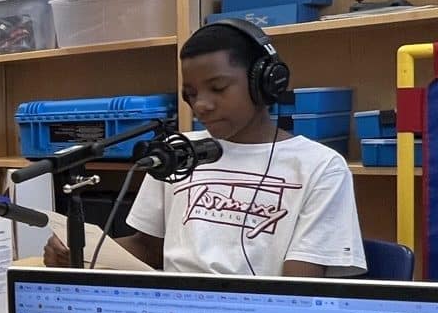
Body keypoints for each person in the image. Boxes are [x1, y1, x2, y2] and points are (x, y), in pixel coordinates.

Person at [44, 18, 365, 276]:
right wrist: (80, 253)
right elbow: (148, 249)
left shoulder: (319, 167)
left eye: (218, 88)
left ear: (265, 82)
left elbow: (299, 287)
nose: (202, 105)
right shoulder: (173, 153)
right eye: (191, 94)